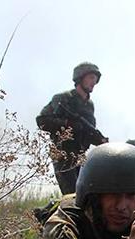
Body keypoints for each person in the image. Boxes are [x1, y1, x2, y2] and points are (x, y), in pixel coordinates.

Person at [36, 62, 108, 194]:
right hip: (63, 154)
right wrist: (68, 124)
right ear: (80, 78)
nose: (94, 82)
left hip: (80, 156)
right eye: (91, 77)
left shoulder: (89, 105)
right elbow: (42, 121)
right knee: (71, 195)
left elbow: (88, 131)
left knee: (85, 194)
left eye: (96, 79)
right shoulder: (63, 98)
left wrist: (99, 140)